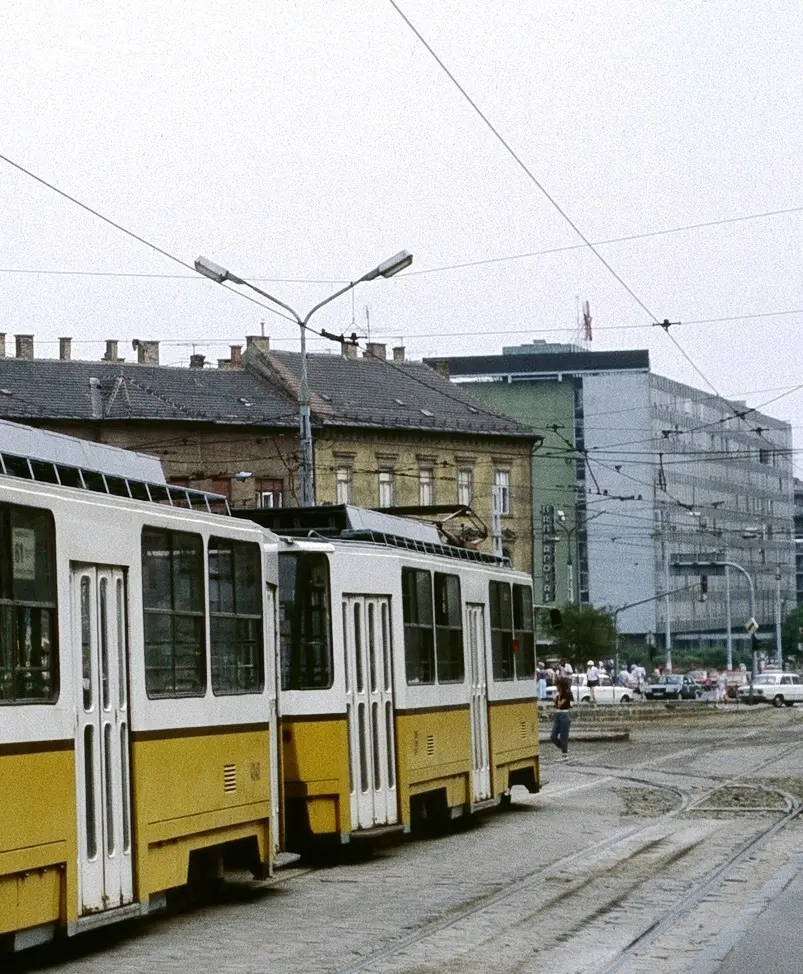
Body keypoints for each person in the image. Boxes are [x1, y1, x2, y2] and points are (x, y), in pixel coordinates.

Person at [550, 675, 572, 760]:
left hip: (564, 715)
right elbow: (556, 705)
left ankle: (564, 754)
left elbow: (559, 705)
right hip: (558, 715)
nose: (556, 687)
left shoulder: (566, 694)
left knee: (564, 736)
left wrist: (558, 696)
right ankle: (564, 748)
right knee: (553, 736)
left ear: (561, 686)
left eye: (557, 686)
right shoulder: (558, 694)